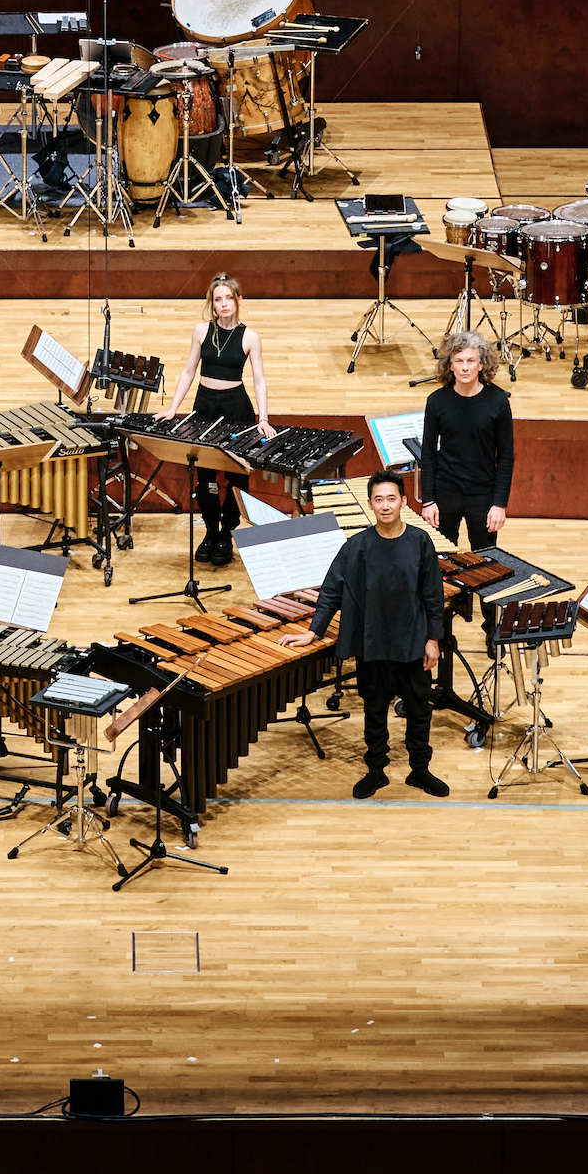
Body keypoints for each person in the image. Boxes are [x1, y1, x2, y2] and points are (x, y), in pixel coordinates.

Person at [282, 471, 447, 796]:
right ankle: (376, 771)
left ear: (402, 501)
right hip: (372, 645)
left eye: (391, 498)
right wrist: (313, 632)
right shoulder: (357, 546)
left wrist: (433, 639)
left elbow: (432, 595)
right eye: (379, 499)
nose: (385, 505)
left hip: (412, 644)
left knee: (419, 711)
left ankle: (419, 771)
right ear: (371, 504)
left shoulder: (419, 541)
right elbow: (331, 590)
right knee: (374, 713)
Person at [160, 272, 277, 565]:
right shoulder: (201, 331)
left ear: (238, 301)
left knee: (236, 477)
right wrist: (174, 408)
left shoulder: (251, 337)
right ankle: (211, 530)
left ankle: (227, 532)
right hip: (205, 407)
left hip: (236, 409)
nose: (224, 304)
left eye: (229, 299)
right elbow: (189, 371)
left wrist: (263, 418)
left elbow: (259, 380)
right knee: (206, 479)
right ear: (212, 304)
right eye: (218, 299)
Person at [418, 330, 513, 561]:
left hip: (482, 494)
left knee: (486, 566)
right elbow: (428, 453)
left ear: (481, 365)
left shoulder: (498, 402)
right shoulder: (437, 401)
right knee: (440, 563)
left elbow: (506, 457)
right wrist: (428, 500)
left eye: (471, 361)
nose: (465, 367)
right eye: (458, 361)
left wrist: (499, 504)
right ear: (450, 366)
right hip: (445, 493)